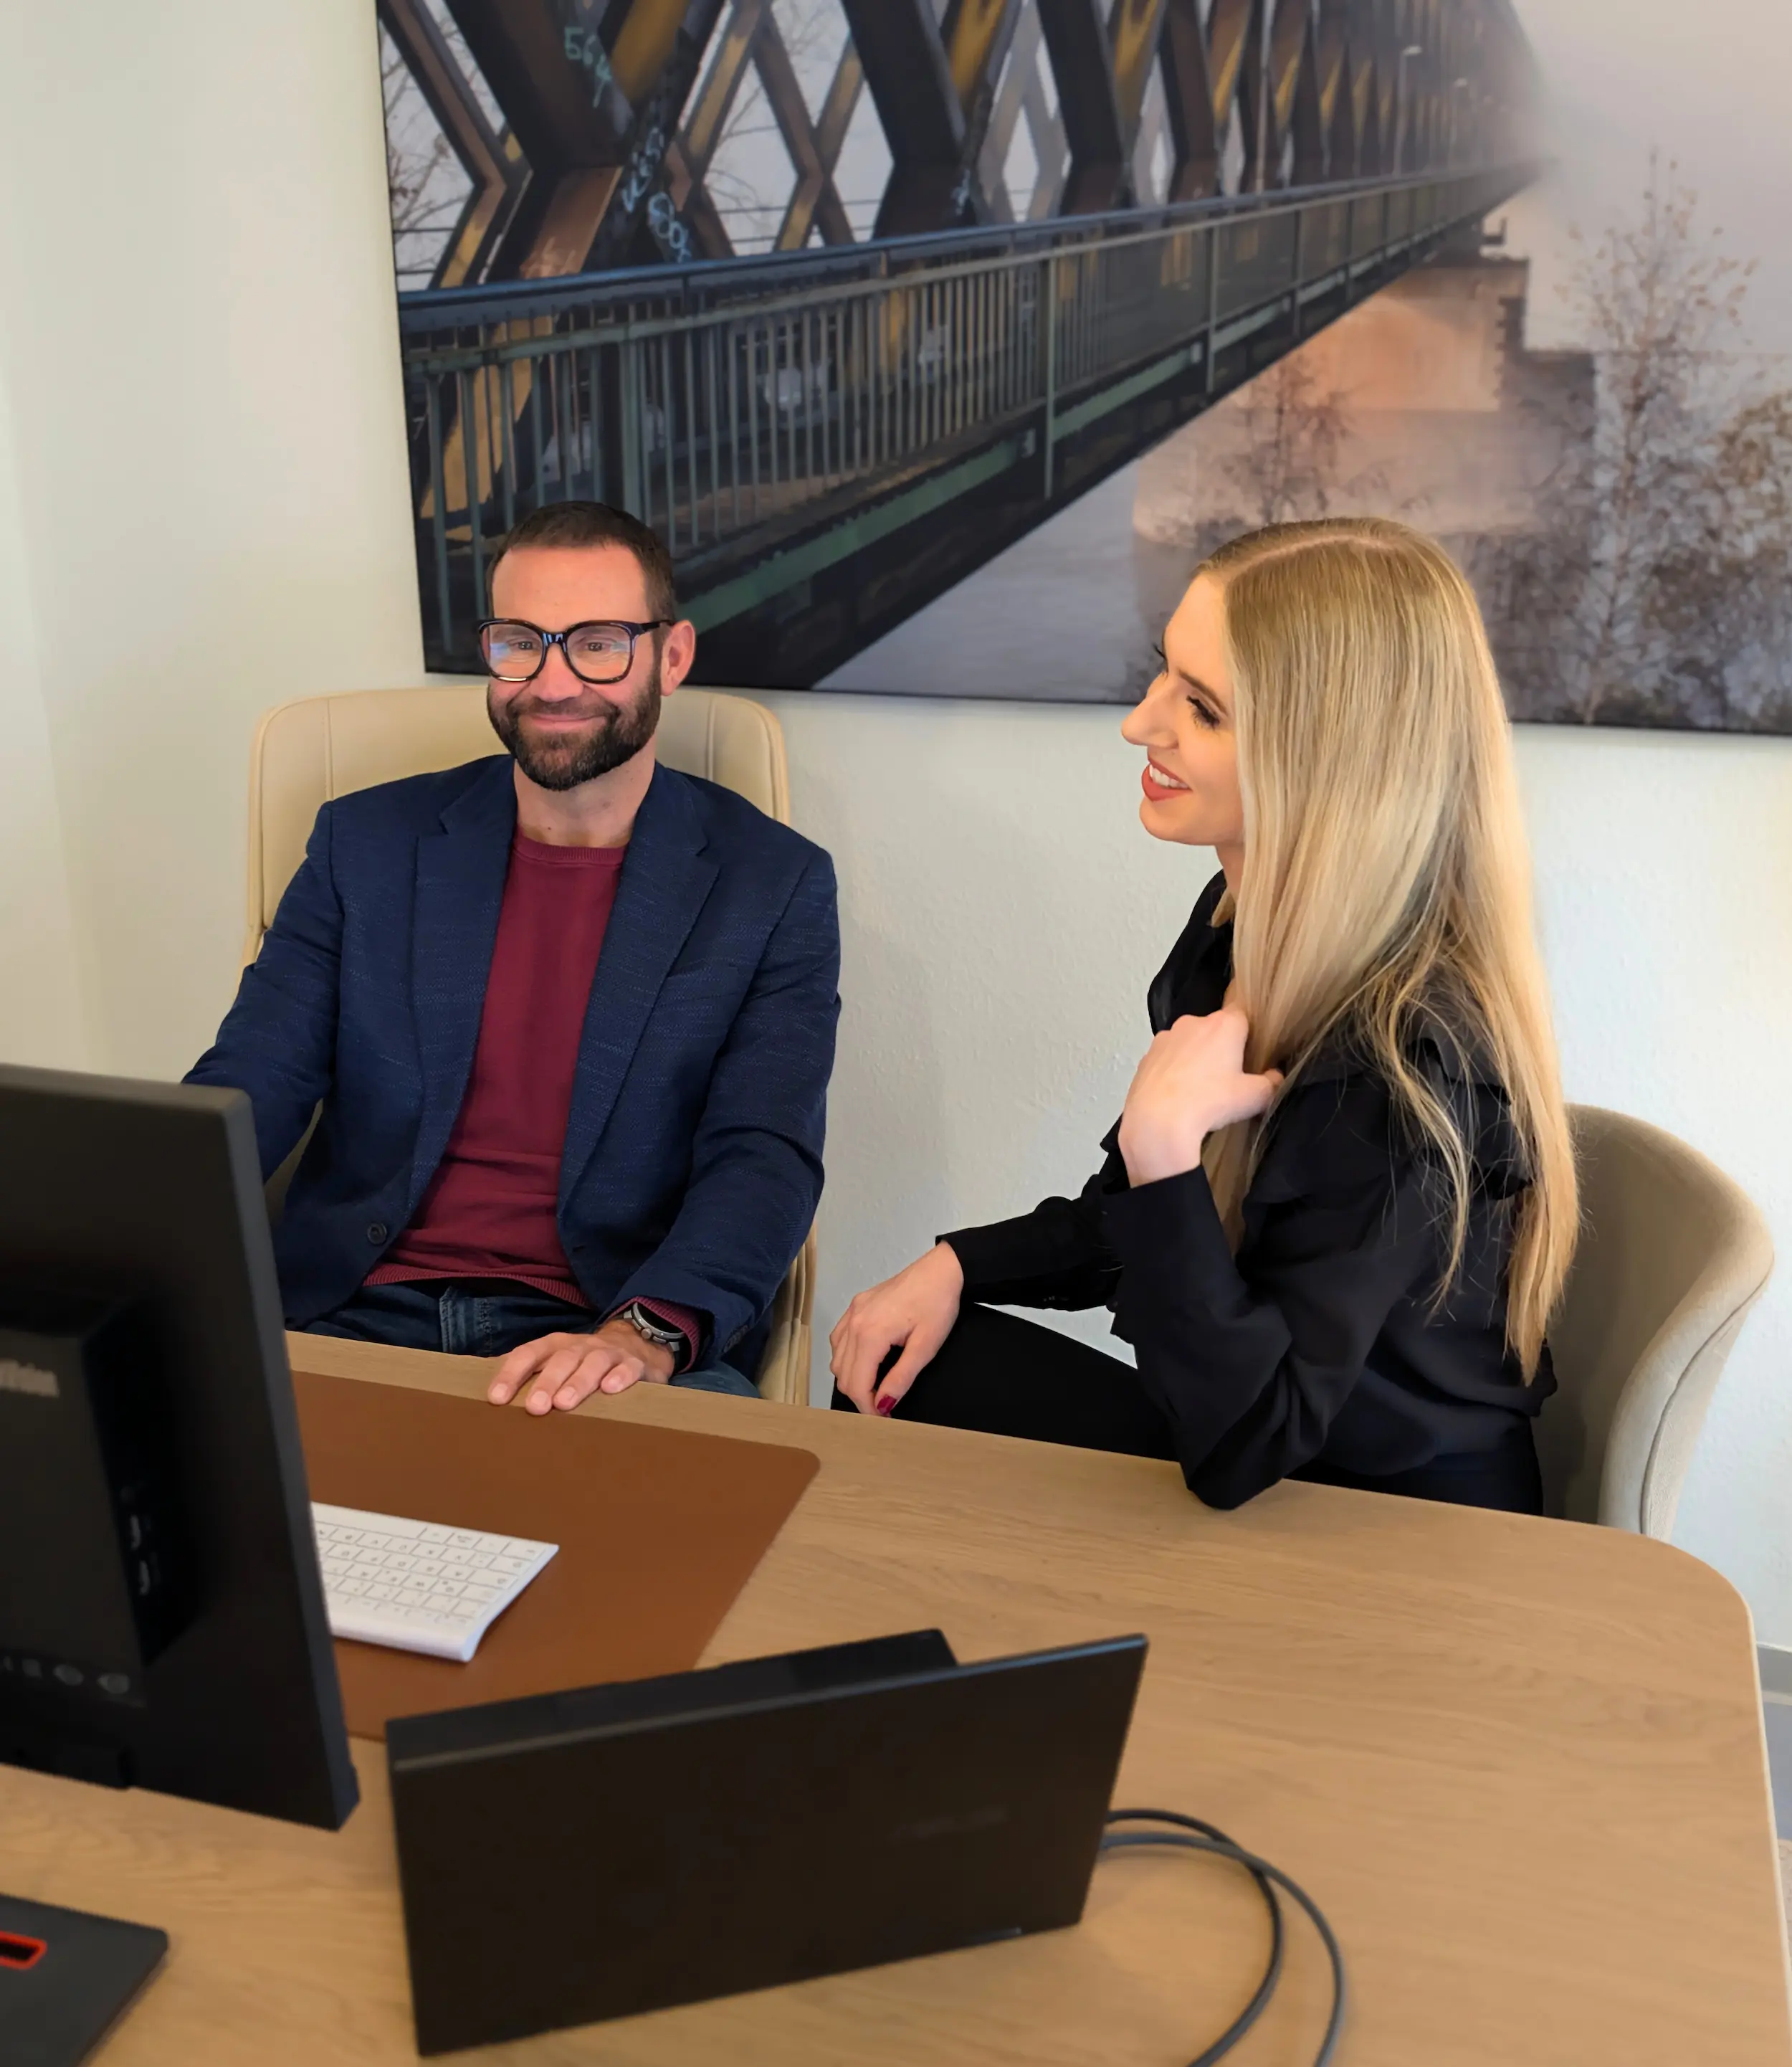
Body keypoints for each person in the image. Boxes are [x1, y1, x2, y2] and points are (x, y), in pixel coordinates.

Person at [831, 518, 1576, 1514]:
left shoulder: (1409, 1060)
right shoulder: (1242, 929)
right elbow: (1138, 1222)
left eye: (1205, 709)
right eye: (1162, 676)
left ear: (1328, 758)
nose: (1142, 724)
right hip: (1244, 1432)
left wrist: (1164, 1145)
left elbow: (1246, 1442)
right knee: (889, 1359)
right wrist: (958, 1260)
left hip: (1383, 1521)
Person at [189, 500, 839, 1411]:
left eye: (598, 643)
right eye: (520, 641)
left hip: (602, 1332)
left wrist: (642, 1335)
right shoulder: (365, 843)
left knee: (673, 1547)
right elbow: (251, 1078)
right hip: (355, 1312)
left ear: (673, 654)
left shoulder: (772, 885)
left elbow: (762, 1155)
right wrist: (119, 1241)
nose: (552, 681)